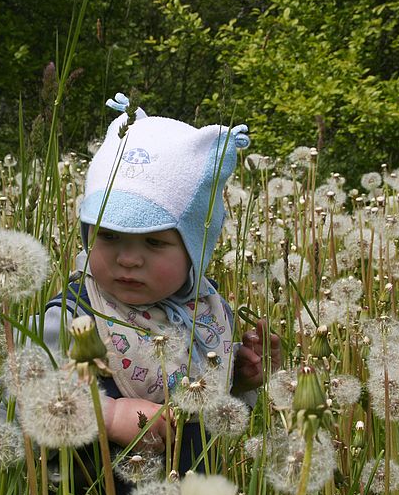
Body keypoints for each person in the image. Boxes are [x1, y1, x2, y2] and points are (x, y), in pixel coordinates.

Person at [37, 92, 280, 475]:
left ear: (195, 252)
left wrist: (239, 381)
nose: (128, 258)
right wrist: (108, 414)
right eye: (109, 236)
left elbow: (207, 407)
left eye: (153, 242)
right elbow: (26, 405)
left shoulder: (205, 312)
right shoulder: (71, 317)